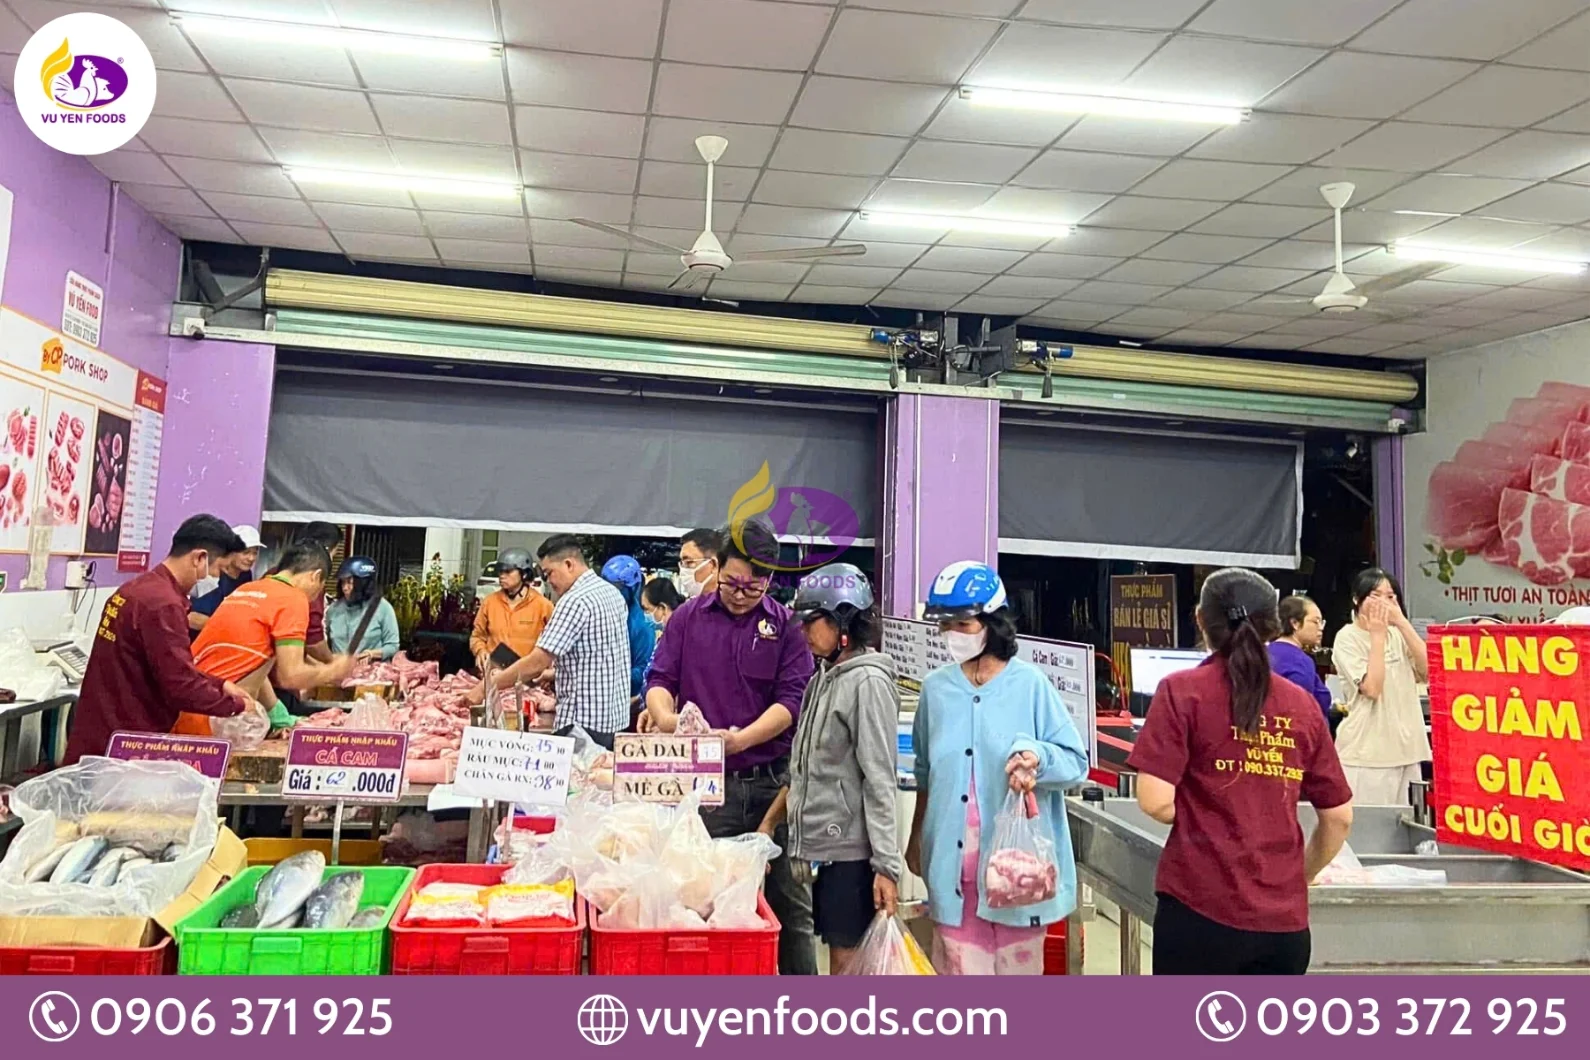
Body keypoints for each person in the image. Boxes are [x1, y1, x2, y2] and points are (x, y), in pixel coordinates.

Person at [1128, 568, 1355, 975]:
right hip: (1284, 928)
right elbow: (1339, 817)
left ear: (1200, 619)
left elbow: (1155, 800)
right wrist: (1299, 876)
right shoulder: (1302, 705)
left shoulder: (1182, 691)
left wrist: (1212, 814)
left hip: (1199, 915)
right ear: (1274, 625)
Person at [644, 520, 818, 975]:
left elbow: (791, 703)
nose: (741, 595)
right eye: (732, 583)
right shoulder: (687, 618)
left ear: (771, 579)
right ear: (716, 567)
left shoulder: (787, 628)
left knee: (791, 911)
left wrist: (740, 739)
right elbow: (660, 680)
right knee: (703, 905)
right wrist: (667, 719)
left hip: (773, 787)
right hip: (706, 790)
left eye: (753, 587)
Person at [904, 561, 1088, 976]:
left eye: (963, 624)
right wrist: (917, 837)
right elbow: (925, 773)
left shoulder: (1031, 685)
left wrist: (1038, 758)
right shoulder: (936, 690)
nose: (953, 634)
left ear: (993, 622)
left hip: (1016, 875)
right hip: (953, 873)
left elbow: (1076, 763)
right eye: (946, 625)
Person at [759, 563, 900, 973]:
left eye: (812, 621)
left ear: (844, 621)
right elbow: (803, 766)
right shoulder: (824, 675)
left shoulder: (868, 683)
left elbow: (879, 779)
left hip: (853, 857)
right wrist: (769, 824)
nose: (803, 632)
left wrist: (886, 868)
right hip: (826, 852)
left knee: (847, 966)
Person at [63, 516, 251, 765]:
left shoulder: (136, 588)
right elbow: (180, 686)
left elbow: (166, 665)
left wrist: (220, 684)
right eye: (218, 570)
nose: (216, 579)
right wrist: (235, 705)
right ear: (199, 558)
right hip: (125, 746)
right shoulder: (163, 605)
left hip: (102, 731)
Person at [179, 543, 361, 735]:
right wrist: (333, 670)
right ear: (315, 576)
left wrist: (277, 713)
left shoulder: (248, 589)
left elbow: (253, 665)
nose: (313, 597)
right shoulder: (292, 598)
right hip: (212, 720)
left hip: (188, 710)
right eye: (319, 589)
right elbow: (290, 675)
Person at [480, 536, 630, 747]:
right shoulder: (611, 593)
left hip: (582, 723)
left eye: (549, 573)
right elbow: (599, 656)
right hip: (612, 719)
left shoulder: (574, 600)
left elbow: (538, 661)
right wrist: (553, 674)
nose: (548, 580)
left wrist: (487, 688)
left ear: (568, 564)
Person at [1332, 567, 1430, 805]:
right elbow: (1372, 689)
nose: (1383, 603)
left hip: (1408, 750)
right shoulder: (1347, 637)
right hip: (1367, 754)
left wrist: (1402, 623)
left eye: (1390, 596)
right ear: (1357, 599)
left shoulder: (1398, 635)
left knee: (1408, 821)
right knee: (1370, 823)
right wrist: (1377, 637)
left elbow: (1429, 671)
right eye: (1375, 596)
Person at [470, 546, 554, 671]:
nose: (502, 576)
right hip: (494, 673)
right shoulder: (489, 602)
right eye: (500, 571)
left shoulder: (543, 606)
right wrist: (480, 651)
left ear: (524, 574)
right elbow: (477, 636)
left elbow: (554, 645)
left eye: (508, 571)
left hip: (528, 675)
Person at [600, 555, 656, 699]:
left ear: (633, 588)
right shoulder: (602, 614)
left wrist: (604, 675)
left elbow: (642, 671)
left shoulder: (641, 625)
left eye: (618, 587)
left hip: (628, 699)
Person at [1269, 594, 1332, 719]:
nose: (1320, 628)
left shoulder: (1262, 652)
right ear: (1295, 623)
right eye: (1315, 622)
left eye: (1322, 622)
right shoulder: (1300, 661)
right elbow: (1302, 711)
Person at [326, 556, 401, 660]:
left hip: (370, 668)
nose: (345, 588)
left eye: (350, 582)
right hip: (340, 668)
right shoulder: (333, 609)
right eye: (343, 582)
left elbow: (393, 645)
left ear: (363, 583)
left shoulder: (383, 608)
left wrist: (371, 654)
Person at [189, 524, 261, 632]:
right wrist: (231, 629)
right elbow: (193, 619)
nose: (251, 558)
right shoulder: (211, 574)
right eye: (245, 553)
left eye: (255, 553)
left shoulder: (245, 575)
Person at [676, 527, 721, 600]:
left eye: (689, 562)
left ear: (714, 565)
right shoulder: (690, 606)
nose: (683, 570)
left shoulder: (734, 604)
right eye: (682, 564)